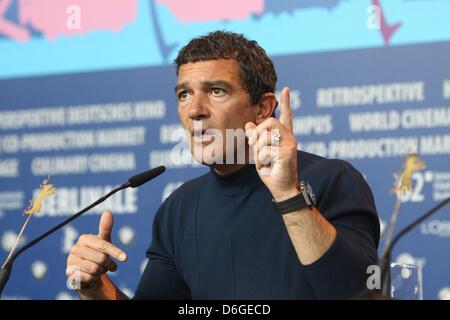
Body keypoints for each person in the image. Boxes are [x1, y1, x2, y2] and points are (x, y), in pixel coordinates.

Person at [66, 31, 380, 300]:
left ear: (263, 109)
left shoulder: (334, 180)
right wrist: (95, 290)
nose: (194, 110)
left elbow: (362, 293)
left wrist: (288, 195)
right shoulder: (179, 208)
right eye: (184, 94)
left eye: (217, 91)